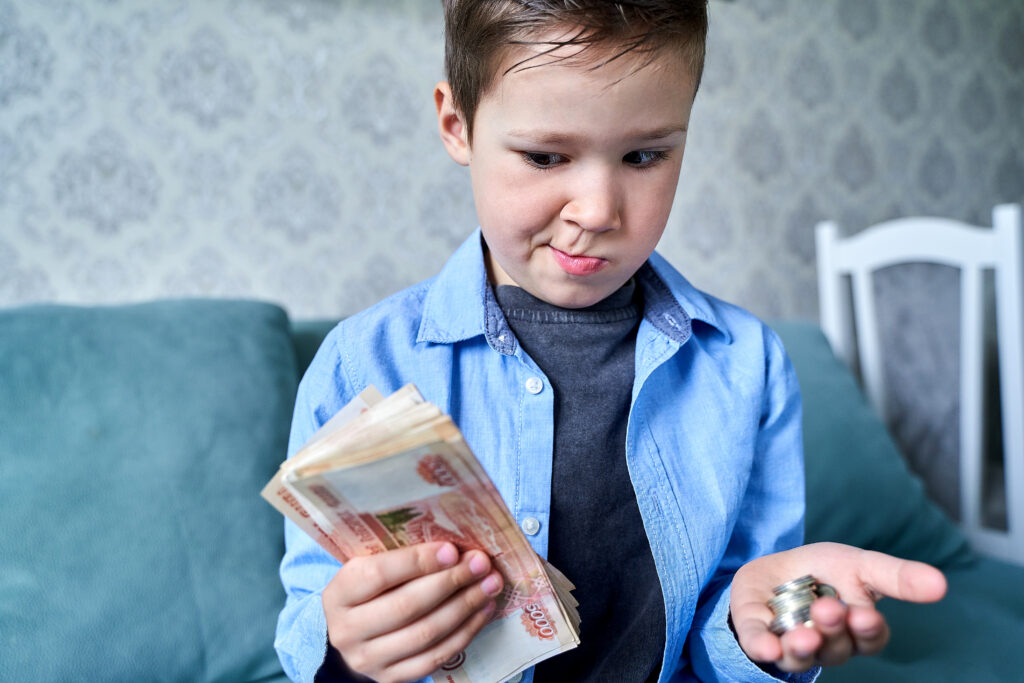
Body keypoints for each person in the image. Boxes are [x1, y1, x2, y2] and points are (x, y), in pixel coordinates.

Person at [274, 2, 947, 682]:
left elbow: (726, 618)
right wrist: (349, 648)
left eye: (644, 155)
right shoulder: (360, 365)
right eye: (545, 156)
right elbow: (311, 624)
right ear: (458, 126)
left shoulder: (750, 366)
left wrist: (752, 628)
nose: (597, 210)